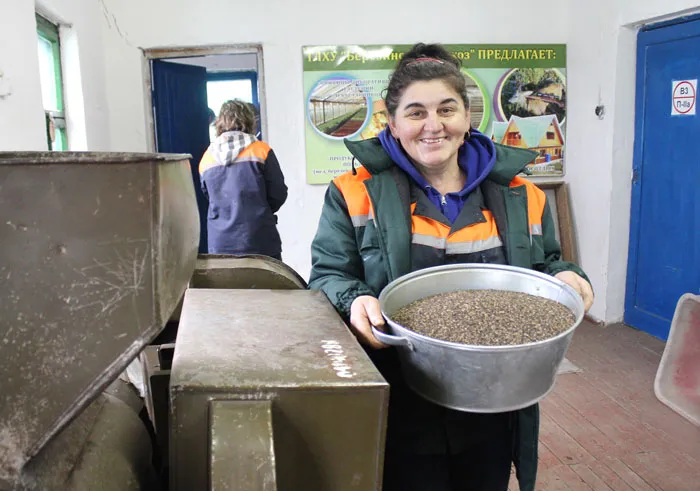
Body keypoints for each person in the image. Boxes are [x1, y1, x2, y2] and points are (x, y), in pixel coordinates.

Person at [308, 43, 593, 491]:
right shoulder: (353, 191)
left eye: (447, 109)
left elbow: (546, 263)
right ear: (393, 119)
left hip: (496, 399)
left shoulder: (520, 193)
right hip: (398, 396)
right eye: (416, 112)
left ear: (467, 116)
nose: (433, 125)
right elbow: (327, 274)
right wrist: (355, 297)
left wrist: (565, 274)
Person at [199, 99, 288, 260]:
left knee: (227, 285)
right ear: (249, 120)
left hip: (220, 244)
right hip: (260, 240)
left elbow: (208, 196)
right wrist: (260, 210)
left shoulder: (207, 158)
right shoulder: (261, 151)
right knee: (269, 284)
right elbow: (279, 193)